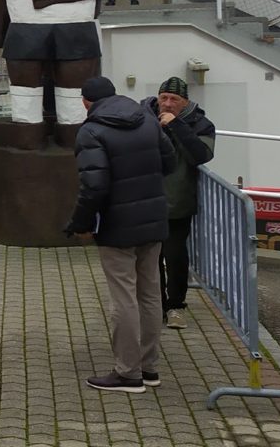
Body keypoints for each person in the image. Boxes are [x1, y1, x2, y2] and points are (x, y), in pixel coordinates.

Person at [66, 76, 176, 393]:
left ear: (86, 102)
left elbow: (94, 186)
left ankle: (128, 374)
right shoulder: (147, 120)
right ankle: (149, 367)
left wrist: (81, 223)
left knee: (123, 298)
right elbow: (169, 162)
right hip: (154, 218)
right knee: (151, 293)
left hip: (117, 224)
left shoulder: (91, 130)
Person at [143, 76, 216, 330]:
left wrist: (177, 126)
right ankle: (156, 305)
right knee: (150, 258)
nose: (168, 103)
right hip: (146, 200)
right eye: (164, 97)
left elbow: (202, 154)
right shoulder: (143, 117)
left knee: (174, 256)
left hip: (178, 202)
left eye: (174, 99)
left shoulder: (200, 123)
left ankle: (176, 306)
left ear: (185, 102)